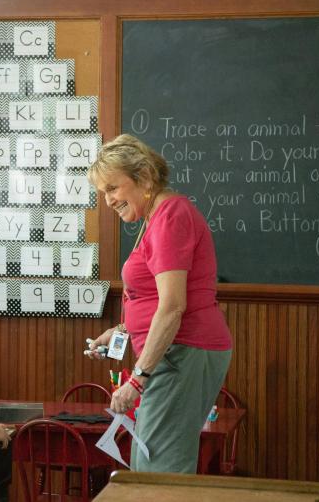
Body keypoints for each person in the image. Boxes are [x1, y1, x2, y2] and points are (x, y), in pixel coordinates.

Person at [86, 134, 232, 473]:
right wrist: (120, 330)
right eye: (103, 192)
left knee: (159, 475)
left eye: (113, 188)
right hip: (176, 353)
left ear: (145, 178)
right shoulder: (157, 216)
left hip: (182, 352)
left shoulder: (170, 216)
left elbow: (172, 307)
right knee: (148, 469)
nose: (107, 201)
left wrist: (136, 381)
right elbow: (157, 301)